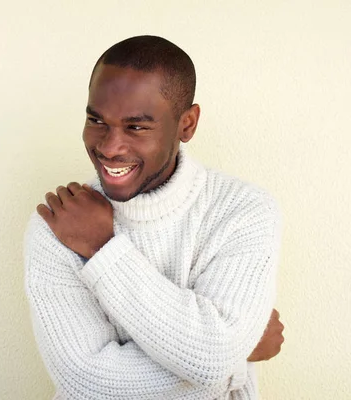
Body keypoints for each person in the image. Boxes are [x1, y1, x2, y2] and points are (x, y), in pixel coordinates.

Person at [24, 35, 284, 400]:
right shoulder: (58, 224)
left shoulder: (243, 210)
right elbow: (86, 380)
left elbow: (212, 354)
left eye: (136, 127)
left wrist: (103, 249)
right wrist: (234, 362)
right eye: (96, 120)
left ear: (187, 124)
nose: (109, 147)